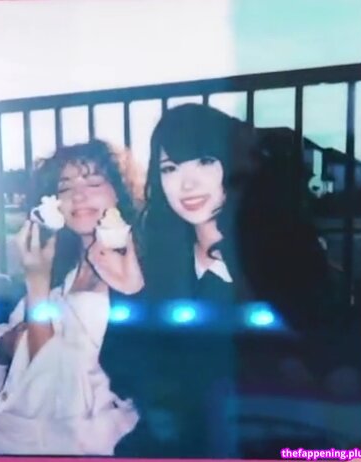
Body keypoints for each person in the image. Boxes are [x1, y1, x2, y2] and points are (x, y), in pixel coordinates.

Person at [139, 103, 333, 457]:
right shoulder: (157, 258)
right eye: (170, 168)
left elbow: (316, 351)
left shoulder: (280, 250)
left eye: (204, 161)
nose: (187, 183)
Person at [0, 140, 145, 455]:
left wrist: (37, 285)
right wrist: (11, 342)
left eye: (93, 182)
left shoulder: (132, 267)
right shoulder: (64, 263)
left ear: (119, 193)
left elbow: (46, 365)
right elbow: (13, 341)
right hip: (12, 391)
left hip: (61, 420)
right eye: (65, 187)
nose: (78, 195)